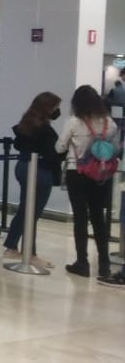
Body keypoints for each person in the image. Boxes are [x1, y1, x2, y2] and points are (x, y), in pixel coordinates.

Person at [57, 85, 120, 279]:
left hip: (78, 172)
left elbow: (60, 147)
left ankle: (82, 262)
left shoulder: (74, 122)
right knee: (98, 218)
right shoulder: (109, 123)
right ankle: (104, 265)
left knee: (80, 218)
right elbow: (116, 149)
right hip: (101, 175)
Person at [2, 92, 62, 269]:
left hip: (23, 167)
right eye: (56, 107)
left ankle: (12, 245)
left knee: (25, 209)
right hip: (39, 171)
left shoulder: (26, 124)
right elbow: (53, 153)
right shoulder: (45, 130)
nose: (58, 111)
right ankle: (30, 252)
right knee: (33, 212)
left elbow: (19, 145)